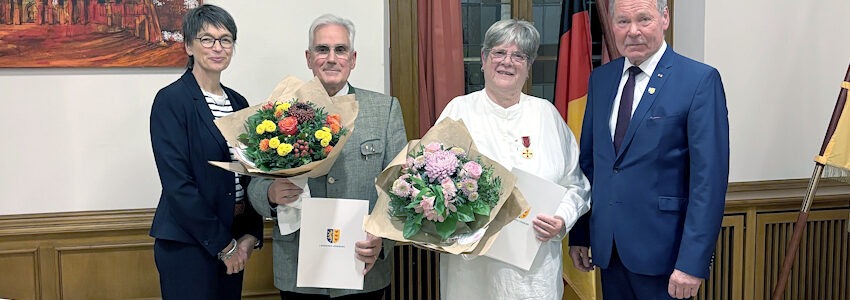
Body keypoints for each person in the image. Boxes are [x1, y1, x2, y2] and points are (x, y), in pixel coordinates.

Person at [567, 0, 729, 299]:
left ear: (664, 18)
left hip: (666, 258)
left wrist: (692, 263)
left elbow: (709, 181)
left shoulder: (699, 80)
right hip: (609, 250)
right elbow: (591, 165)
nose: (633, 31)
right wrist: (581, 233)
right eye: (623, 22)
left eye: (644, 19)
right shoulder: (602, 80)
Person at [246, 14, 407, 300]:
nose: (331, 58)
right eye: (322, 49)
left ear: (353, 58)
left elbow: (401, 188)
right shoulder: (279, 112)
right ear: (309, 58)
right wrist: (270, 192)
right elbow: (254, 185)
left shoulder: (384, 110)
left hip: (362, 268)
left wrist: (382, 238)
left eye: (340, 50)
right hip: (299, 270)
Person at [437, 19, 591, 300]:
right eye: (499, 52)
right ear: (483, 59)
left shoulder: (547, 115)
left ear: (528, 66)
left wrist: (561, 219)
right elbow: (430, 182)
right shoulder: (458, 111)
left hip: (535, 271)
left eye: (519, 55)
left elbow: (577, 185)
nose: (508, 62)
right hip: (472, 269)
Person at [149, 4, 262, 299]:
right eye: (207, 39)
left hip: (234, 239)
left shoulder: (239, 102)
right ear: (188, 45)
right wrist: (225, 246)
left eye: (226, 39)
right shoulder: (171, 100)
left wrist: (250, 234)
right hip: (188, 244)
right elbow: (178, 185)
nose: (218, 47)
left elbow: (251, 172)